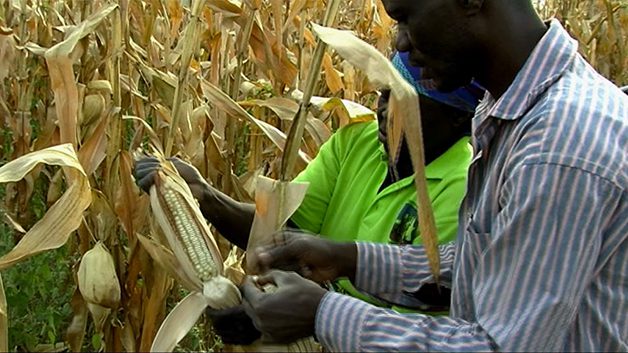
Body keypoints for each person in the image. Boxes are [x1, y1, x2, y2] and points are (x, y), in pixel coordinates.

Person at [238, 0, 628, 352]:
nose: (402, 44)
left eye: (406, 17)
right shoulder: (517, 113)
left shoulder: (557, 145)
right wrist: (349, 259)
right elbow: (496, 264)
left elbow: (498, 347)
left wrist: (323, 315)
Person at [134, 52, 485, 342]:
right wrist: (203, 196)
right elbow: (280, 233)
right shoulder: (357, 142)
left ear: (459, 120)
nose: (383, 109)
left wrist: (307, 317)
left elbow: (406, 332)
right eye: (383, 93)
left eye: (404, 102)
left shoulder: (462, 192)